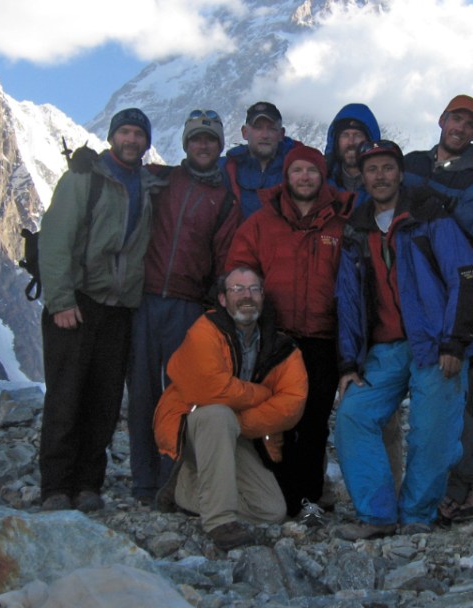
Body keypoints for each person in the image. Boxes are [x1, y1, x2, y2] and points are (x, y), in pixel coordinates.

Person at [334, 140, 473, 538]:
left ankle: (418, 514)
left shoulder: (427, 214)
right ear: (362, 177)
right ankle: (377, 515)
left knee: (431, 430)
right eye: (372, 169)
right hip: (383, 351)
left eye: (387, 168)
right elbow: (348, 299)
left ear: (400, 173)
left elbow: (465, 275)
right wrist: (348, 363)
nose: (380, 176)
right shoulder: (357, 228)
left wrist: (454, 342)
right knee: (353, 416)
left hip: (435, 344)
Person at [38, 107, 162, 512]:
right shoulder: (83, 178)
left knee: (105, 401)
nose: (131, 140)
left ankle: (89, 484)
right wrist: (60, 301)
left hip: (119, 309)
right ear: (112, 137)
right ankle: (56, 487)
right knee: (66, 398)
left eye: (138, 135)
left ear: (146, 143)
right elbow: (55, 240)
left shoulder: (147, 183)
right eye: (124, 132)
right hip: (78, 303)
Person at [403, 94, 473, 522]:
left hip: (471, 293)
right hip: (423, 291)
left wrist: (450, 205)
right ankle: (458, 482)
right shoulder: (412, 162)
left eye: (469, 124)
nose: (460, 128)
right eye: (456, 119)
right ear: (442, 120)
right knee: (439, 385)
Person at [225, 145, 353, 519]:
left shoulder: (340, 222)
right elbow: (239, 270)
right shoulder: (262, 222)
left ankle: (308, 498)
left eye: (311, 171)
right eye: (297, 170)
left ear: (322, 176)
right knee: (275, 418)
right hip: (276, 339)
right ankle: (276, 495)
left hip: (323, 337)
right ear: (287, 176)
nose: (304, 178)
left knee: (313, 420)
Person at [128, 109, 240, 505]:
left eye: (210, 140)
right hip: (144, 299)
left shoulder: (225, 199)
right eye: (196, 139)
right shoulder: (161, 179)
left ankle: (170, 480)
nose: (203, 145)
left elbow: (225, 258)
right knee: (141, 393)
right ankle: (144, 482)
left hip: (189, 307)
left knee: (179, 396)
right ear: (186, 144)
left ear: (219, 146)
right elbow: (121, 173)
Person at [152, 267, 308, 550]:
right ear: (223, 299)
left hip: (236, 432)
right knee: (217, 413)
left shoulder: (282, 347)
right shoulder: (205, 330)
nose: (246, 296)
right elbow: (211, 389)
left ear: (263, 297)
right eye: (237, 289)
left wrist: (240, 423)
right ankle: (219, 522)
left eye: (254, 289)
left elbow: (291, 405)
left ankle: (184, 489)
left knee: (271, 511)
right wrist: (261, 394)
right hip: (191, 426)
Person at [221, 101, 301, 220]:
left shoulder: (298, 168)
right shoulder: (226, 168)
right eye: (258, 128)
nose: (265, 135)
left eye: (272, 128)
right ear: (244, 132)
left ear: (281, 134)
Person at [323, 103, 381, 199]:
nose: (351, 142)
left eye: (357, 135)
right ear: (336, 141)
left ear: (370, 141)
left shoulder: (387, 184)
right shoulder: (320, 182)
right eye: (345, 135)